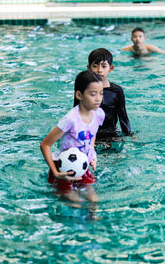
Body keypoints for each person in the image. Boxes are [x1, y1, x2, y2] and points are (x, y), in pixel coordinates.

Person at [40, 70, 105, 211]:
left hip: (82, 166)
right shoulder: (70, 119)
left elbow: (92, 133)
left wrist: (92, 153)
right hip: (63, 169)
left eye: (101, 93)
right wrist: (56, 172)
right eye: (93, 94)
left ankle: (94, 229)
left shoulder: (99, 114)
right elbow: (45, 144)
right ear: (79, 95)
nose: (98, 98)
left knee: (94, 202)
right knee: (77, 203)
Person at [81, 48, 132, 141]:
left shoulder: (117, 91)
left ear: (110, 68)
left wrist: (129, 136)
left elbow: (123, 117)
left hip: (111, 134)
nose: (99, 70)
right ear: (89, 68)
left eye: (104, 66)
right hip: (90, 135)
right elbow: (77, 115)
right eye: (95, 66)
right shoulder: (83, 90)